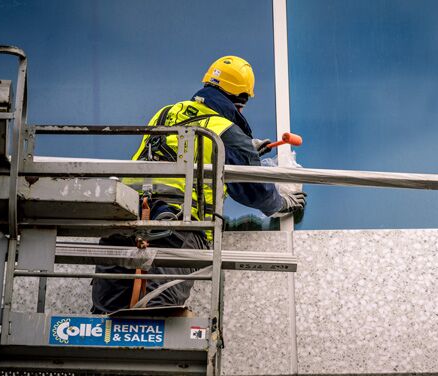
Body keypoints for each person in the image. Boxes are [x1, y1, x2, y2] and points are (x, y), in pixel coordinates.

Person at [91, 56, 306, 314]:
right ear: (241, 99)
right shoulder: (226, 130)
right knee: (159, 319)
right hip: (178, 227)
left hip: (126, 218)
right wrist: (284, 200)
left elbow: (179, 149)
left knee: (104, 321)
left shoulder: (166, 113)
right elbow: (255, 191)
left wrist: (243, 150)